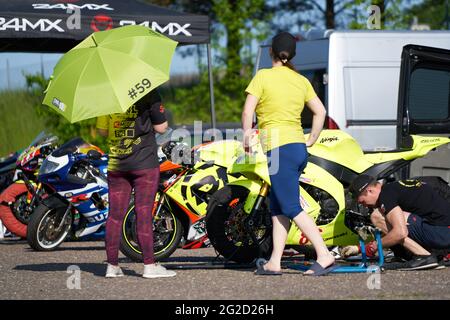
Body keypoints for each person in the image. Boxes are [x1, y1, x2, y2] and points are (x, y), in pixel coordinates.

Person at [242, 32, 335, 276]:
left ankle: (324, 254)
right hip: (297, 148)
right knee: (278, 206)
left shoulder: (262, 76)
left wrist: (245, 136)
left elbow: (248, 110)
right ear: (292, 55)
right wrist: (312, 138)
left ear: (271, 52)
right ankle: (274, 261)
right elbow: (320, 112)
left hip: (279, 149)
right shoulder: (301, 80)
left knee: (291, 206)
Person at [96, 90, 176, 278]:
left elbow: (102, 131)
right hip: (144, 164)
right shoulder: (147, 90)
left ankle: (112, 266)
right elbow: (161, 128)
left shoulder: (107, 95)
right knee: (143, 213)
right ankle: (149, 266)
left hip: (117, 164)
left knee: (114, 216)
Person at [346, 174, 450, 270]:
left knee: (377, 216)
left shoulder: (386, 194)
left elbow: (400, 233)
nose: (364, 206)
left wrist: (375, 245)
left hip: (442, 233)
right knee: (392, 223)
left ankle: (424, 256)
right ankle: (425, 255)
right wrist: (360, 248)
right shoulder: (395, 188)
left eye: (362, 202)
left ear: (369, 191)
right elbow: (389, 232)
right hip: (442, 232)